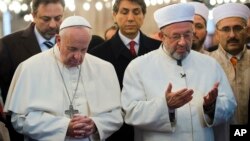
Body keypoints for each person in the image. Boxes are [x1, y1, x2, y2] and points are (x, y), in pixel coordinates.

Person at [121, 3, 236, 141]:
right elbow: (130, 112)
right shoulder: (138, 67)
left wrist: (211, 107)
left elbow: (230, 104)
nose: (182, 42)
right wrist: (166, 106)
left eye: (187, 35)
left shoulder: (210, 64)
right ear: (161, 36)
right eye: (175, 36)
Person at [3, 15, 123, 141]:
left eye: (83, 50)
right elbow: (19, 120)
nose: (78, 57)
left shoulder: (104, 68)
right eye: (72, 49)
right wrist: (62, 127)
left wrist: (96, 124)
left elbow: (116, 115)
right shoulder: (30, 67)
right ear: (58, 40)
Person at [89, 0, 161, 140]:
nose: (130, 18)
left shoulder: (158, 49)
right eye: (124, 12)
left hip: (153, 127)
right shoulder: (98, 54)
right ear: (114, 15)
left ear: (143, 15)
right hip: (116, 131)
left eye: (136, 12)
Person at [0, 0, 65, 140]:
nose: (53, 25)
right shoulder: (9, 45)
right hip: (24, 129)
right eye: (46, 19)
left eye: (58, 18)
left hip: (64, 128)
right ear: (33, 15)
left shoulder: (70, 42)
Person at [210, 3, 250, 124]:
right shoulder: (207, 63)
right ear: (217, 34)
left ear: (247, 31)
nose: (232, 35)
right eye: (226, 29)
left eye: (238, 28)